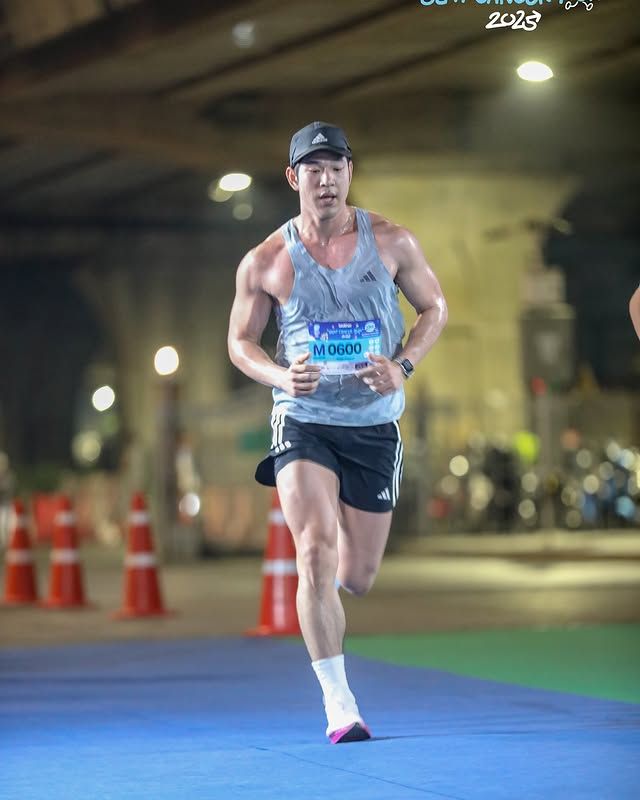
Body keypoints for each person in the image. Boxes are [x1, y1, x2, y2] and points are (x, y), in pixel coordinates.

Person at [227, 121, 448, 743]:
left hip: (374, 425)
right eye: (313, 170)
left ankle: (342, 589)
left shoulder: (393, 241)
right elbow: (240, 341)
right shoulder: (267, 259)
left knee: (359, 576)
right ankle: (339, 702)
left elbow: (435, 308)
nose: (326, 180)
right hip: (304, 420)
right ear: (293, 177)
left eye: (336, 168)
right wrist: (280, 375)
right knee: (315, 550)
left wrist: (402, 365)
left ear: (350, 172)